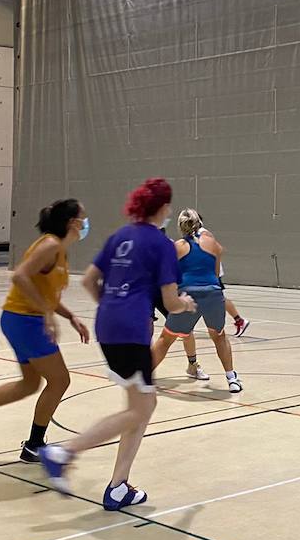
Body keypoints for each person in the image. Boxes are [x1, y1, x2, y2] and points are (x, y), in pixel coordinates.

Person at [40, 178, 195, 510]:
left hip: (107, 325)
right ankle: (63, 452)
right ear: (164, 208)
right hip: (131, 329)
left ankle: (118, 487)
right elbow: (169, 301)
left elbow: (88, 280)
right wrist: (185, 303)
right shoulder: (162, 244)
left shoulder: (120, 235)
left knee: (139, 407)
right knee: (143, 408)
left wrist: (111, 307)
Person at [0, 199, 91, 459]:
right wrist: (47, 314)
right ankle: (34, 445)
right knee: (60, 380)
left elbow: (46, 292)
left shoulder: (59, 250)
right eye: (83, 218)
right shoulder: (50, 245)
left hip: (19, 319)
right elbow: (20, 276)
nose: (86, 223)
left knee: (29, 383)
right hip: (26, 320)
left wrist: (70, 317)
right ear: (72, 223)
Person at [152, 209, 243, 393]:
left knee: (166, 338)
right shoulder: (212, 243)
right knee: (219, 336)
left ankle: (143, 377)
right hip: (213, 294)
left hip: (189, 296)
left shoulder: (177, 246)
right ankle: (232, 379)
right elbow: (216, 274)